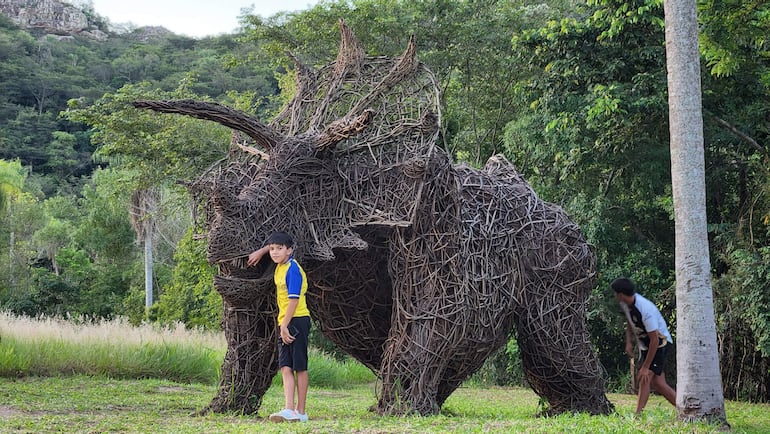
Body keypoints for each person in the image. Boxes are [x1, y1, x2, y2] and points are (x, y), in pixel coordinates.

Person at [248, 231, 311, 423]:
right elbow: (274, 246)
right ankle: (289, 409)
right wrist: (262, 251)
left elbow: (293, 299)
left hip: (296, 319)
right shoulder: (280, 265)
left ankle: (301, 412)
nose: (274, 252)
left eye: (279, 249)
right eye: (272, 249)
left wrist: (284, 326)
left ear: (290, 251)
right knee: (285, 366)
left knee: (299, 366)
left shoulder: (292, 269)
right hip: (285, 321)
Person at [611, 277, 677, 415]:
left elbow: (655, 340)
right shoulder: (625, 304)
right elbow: (630, 321)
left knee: (644, 377)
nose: (615, 296)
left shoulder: (645, 310)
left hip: (660, 343)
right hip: (646, 345)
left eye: (616, 293)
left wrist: (646, 367)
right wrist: (629, 342)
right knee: (658, 383)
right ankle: (683, 409)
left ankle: (637, 414)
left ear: (621, 294)